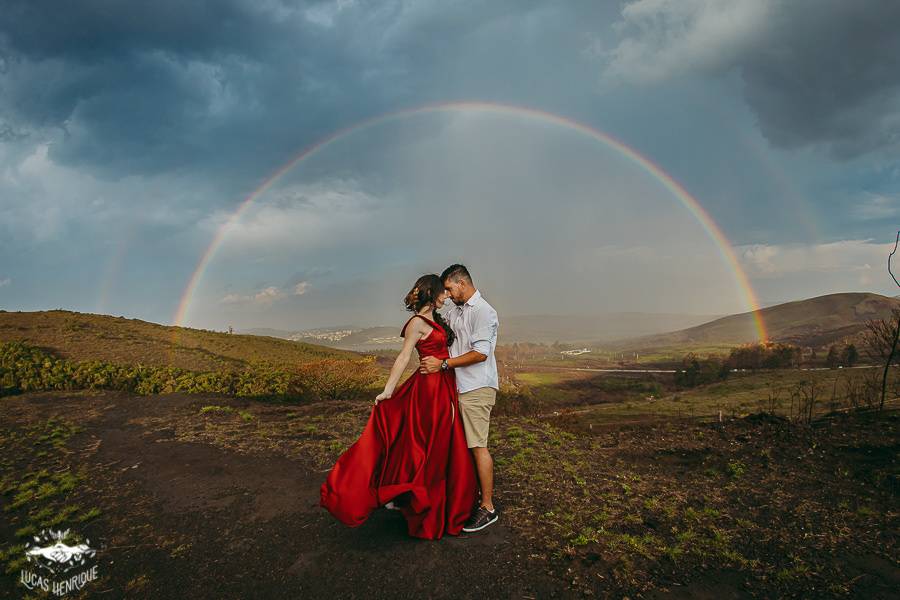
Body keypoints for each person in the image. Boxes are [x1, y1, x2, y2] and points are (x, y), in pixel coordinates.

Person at [319, 274, 477, 540]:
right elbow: (404, 356)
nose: (447, 296)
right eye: (444, 292)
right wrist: (389, 389)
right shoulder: (416, 323)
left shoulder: (436, 319)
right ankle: (424, 506)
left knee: (442, 443)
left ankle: (434, 502)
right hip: (430, 389)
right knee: (432, 445)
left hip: (444, 383)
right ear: (433, 293)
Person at [419, 264, 500, 532]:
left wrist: (443, 365)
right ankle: (464, 499)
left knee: (477, 446)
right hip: (456, 388)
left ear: (462, 283)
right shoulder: (456, 310)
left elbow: (480, 354)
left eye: (450, 289)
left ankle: (487, 508)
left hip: (476, 388)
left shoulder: (484, 312)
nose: (449, 295)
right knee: (459, 447)